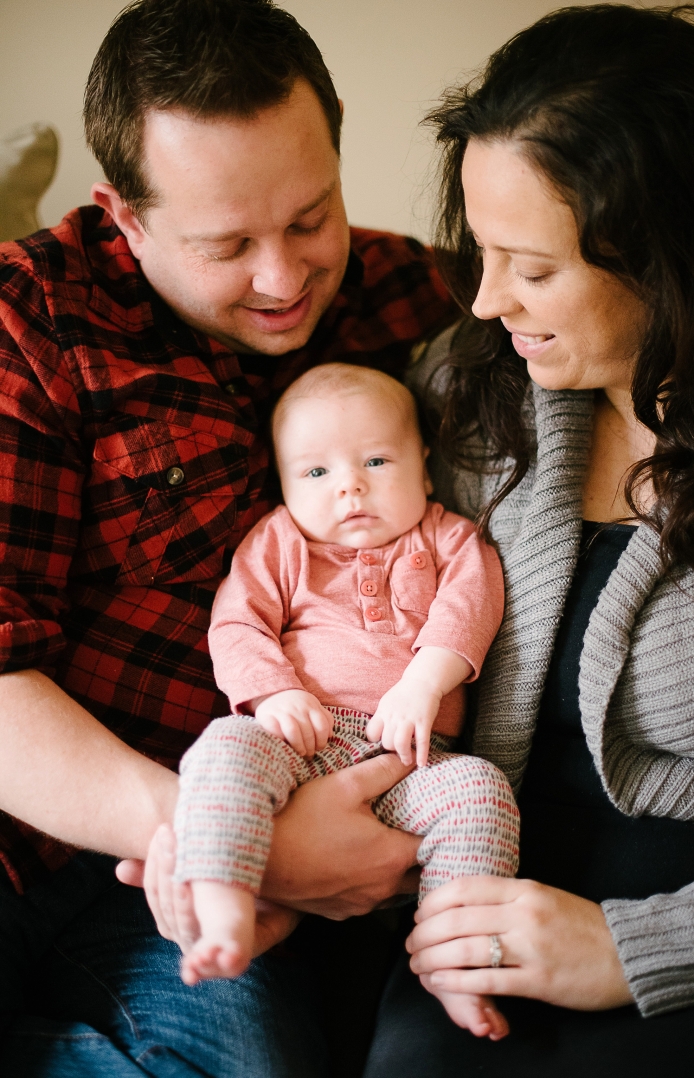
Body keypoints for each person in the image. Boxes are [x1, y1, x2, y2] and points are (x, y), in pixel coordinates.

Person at [0, 1, 457, 1073]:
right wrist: (246, 844)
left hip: (211, 861)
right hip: (43, 823)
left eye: (310, 218)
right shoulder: (31, 321)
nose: (283, 278)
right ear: (125, 215)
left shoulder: (416, 302)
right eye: (227, 245)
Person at [360, 5, 694, 1077]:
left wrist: (637, 946)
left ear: (672, 254)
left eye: (530, 265)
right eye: (480, 248)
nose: (484, 298)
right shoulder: (472, 389)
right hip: (480, 886)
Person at [172, 362, 518, 1040]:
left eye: (376, 460)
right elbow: (237, 623)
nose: (350, 485)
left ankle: (455, 961)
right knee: (224, 748)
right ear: (283, 485)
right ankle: (223, 902)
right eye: (317, 473)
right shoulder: (279, 541)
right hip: (297, 739)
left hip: (414, 759)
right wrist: (272, 693)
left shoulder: (451, 537)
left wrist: (424, 684)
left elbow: (470, 608)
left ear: (424, 468)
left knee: (482, 791)